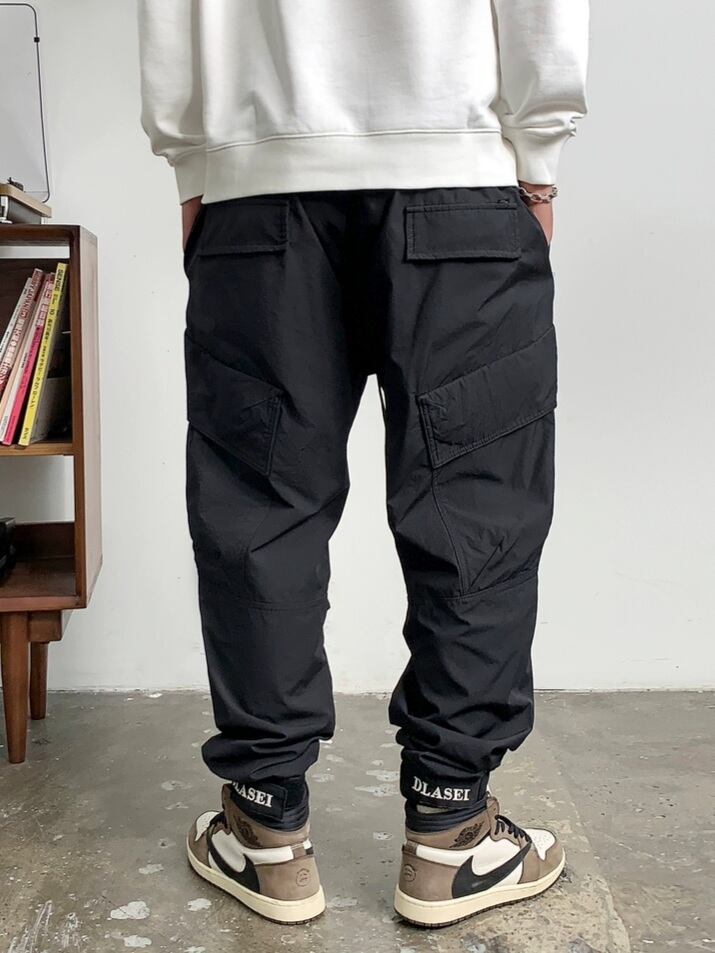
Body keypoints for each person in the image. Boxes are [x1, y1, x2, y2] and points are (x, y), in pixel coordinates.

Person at [137, 0, 588, 928]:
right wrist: (536, 156)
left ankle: (265, 828)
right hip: (457, 176)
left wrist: (195, 164)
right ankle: (451, 833)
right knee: (475, 508)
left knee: (260, 506)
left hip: (257, 189)